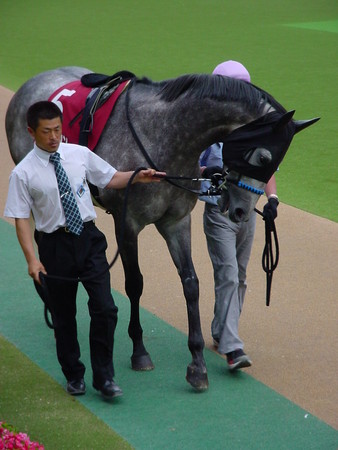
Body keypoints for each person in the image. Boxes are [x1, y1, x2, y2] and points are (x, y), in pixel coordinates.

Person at [4, 101, 166, 399]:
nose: (53, 136)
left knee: (105, 308)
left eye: (57, 129)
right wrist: (32, 260)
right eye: (46, 131)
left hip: (89, 241)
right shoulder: (23, 173)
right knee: (64, 316)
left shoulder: (78, 154)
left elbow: (109, 177)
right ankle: (74, 374)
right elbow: (21, 219)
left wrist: (137, 175)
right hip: (54, 247)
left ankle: (104, 378)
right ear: (31, 132)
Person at [200, 61, 279, 371]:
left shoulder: (255, 126)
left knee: (240, 276)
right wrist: (207, 170)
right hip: (218, 210)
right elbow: (187, 166)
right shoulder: (205, 127)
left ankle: (221, 332)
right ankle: (233, 347)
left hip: (248, 213)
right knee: (229, 274)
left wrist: (272, 199)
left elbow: (267, 167)